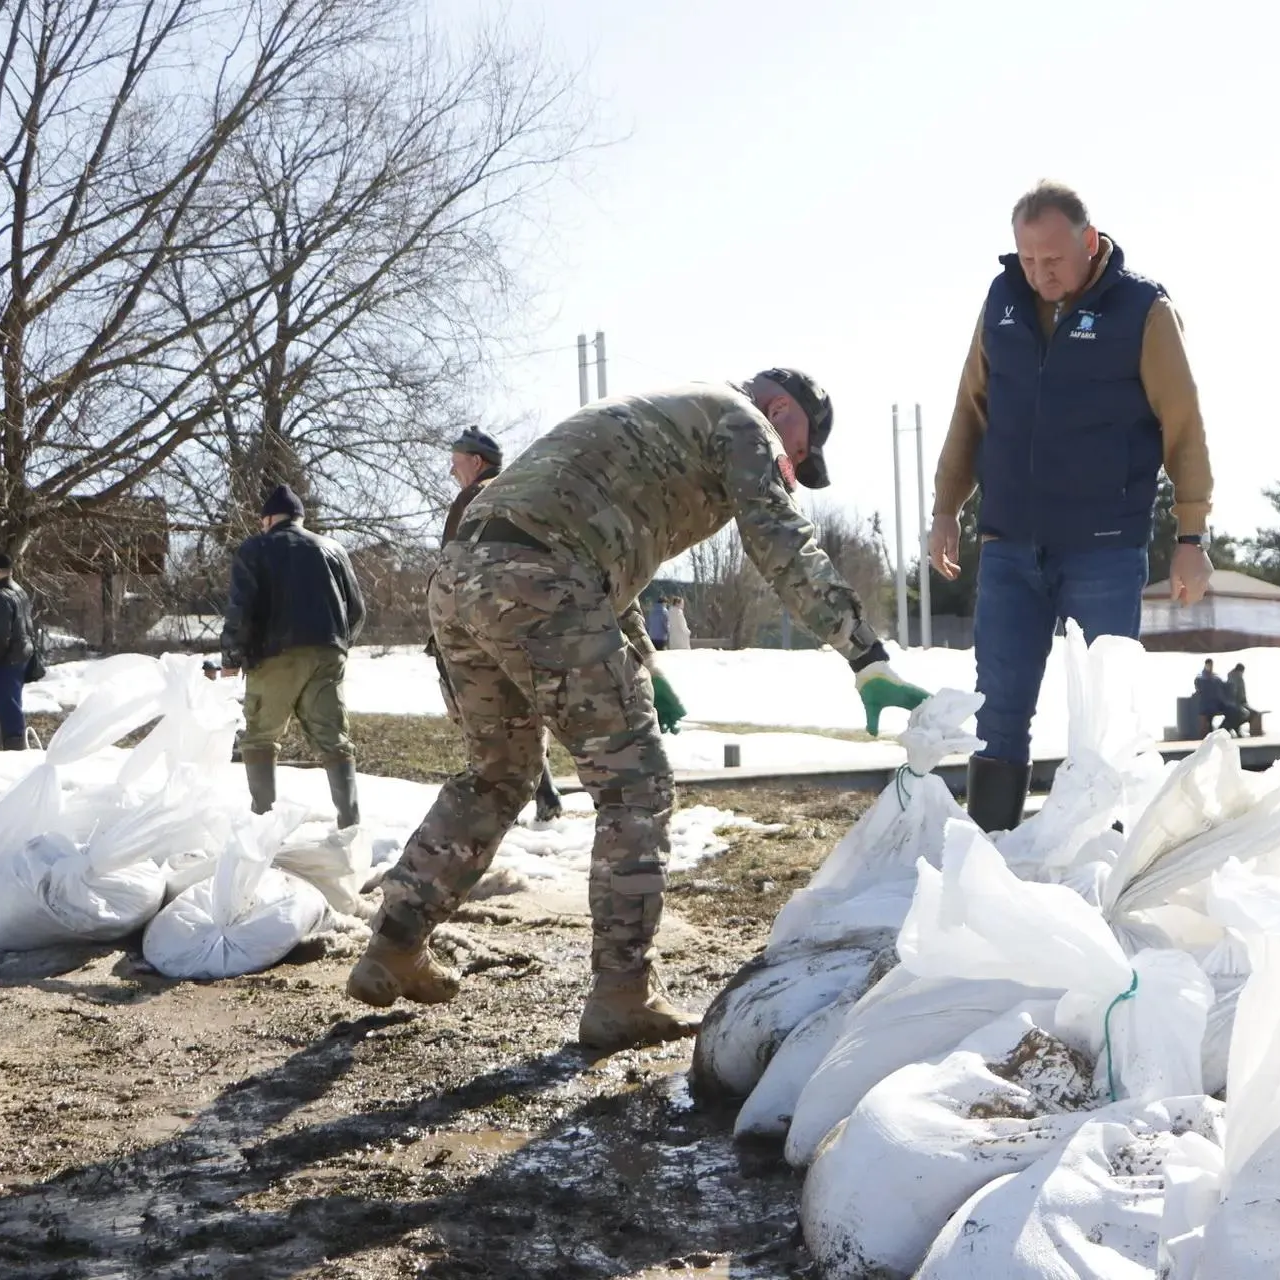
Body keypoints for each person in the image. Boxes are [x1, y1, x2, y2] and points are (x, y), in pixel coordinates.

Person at [347, 370, 930, 1052]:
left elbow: (587, 544)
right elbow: (778, 542)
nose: (795, 463)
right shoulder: (745, 423)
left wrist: (647, 663)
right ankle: (622, 992)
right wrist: (866, 656)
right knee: (635, 787)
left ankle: (393, 946)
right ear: (780, 410)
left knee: (498, 775)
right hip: (543, 579)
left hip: (460, 576)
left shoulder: (659, 413)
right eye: (802, 447)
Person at [928, 180, 1216, 832]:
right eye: (1027, 260)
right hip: (1008, 546)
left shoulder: (1143, 309)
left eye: (1052, 259)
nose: (1039, 273)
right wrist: (946, 508)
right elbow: (970, 412)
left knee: (1102, 723)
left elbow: (1184, 425)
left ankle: (1103, 867)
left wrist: (1191, 535)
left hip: (1103, 548)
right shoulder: (1002, 303)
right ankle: (990, 861)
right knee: (998, 710)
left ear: (1089, 242)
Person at [435, 427, 565, 825]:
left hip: (477, 626)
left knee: (487, 726)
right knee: (524, 709)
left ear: (476, 462)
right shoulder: (526, 493)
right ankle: (545, 794)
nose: (452, 470)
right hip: (527, 626)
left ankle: (496, 809)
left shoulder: (473, 497)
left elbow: (452, 567)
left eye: (456, 462)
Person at [221, 485, 367, 829]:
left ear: (269, 519)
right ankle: (351, 826)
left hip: (274, 656)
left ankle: (263, 829)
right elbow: (357, 610)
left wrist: (231, 655)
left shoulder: (255, 548)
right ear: (299, 518)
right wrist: (339, 645)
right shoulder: (333, 549)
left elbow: (240, 609)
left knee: (260, 738)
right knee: (334, 740)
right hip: (327, 653)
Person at [0, 551, 36, 751]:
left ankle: (15, 752)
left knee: (7, 705)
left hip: (4, 659)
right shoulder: (18, 590)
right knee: (7, 702)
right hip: (19, 656)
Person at [1225, 663, 1255, 735]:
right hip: (1236, 703)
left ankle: (1234, 727)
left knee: (1247, 714)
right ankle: (1233, 726)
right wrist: (1242, 701)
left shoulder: (1232, 677)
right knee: (1247, 714)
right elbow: (1236, 692)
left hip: (1236, 702)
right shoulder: (1236, 678)